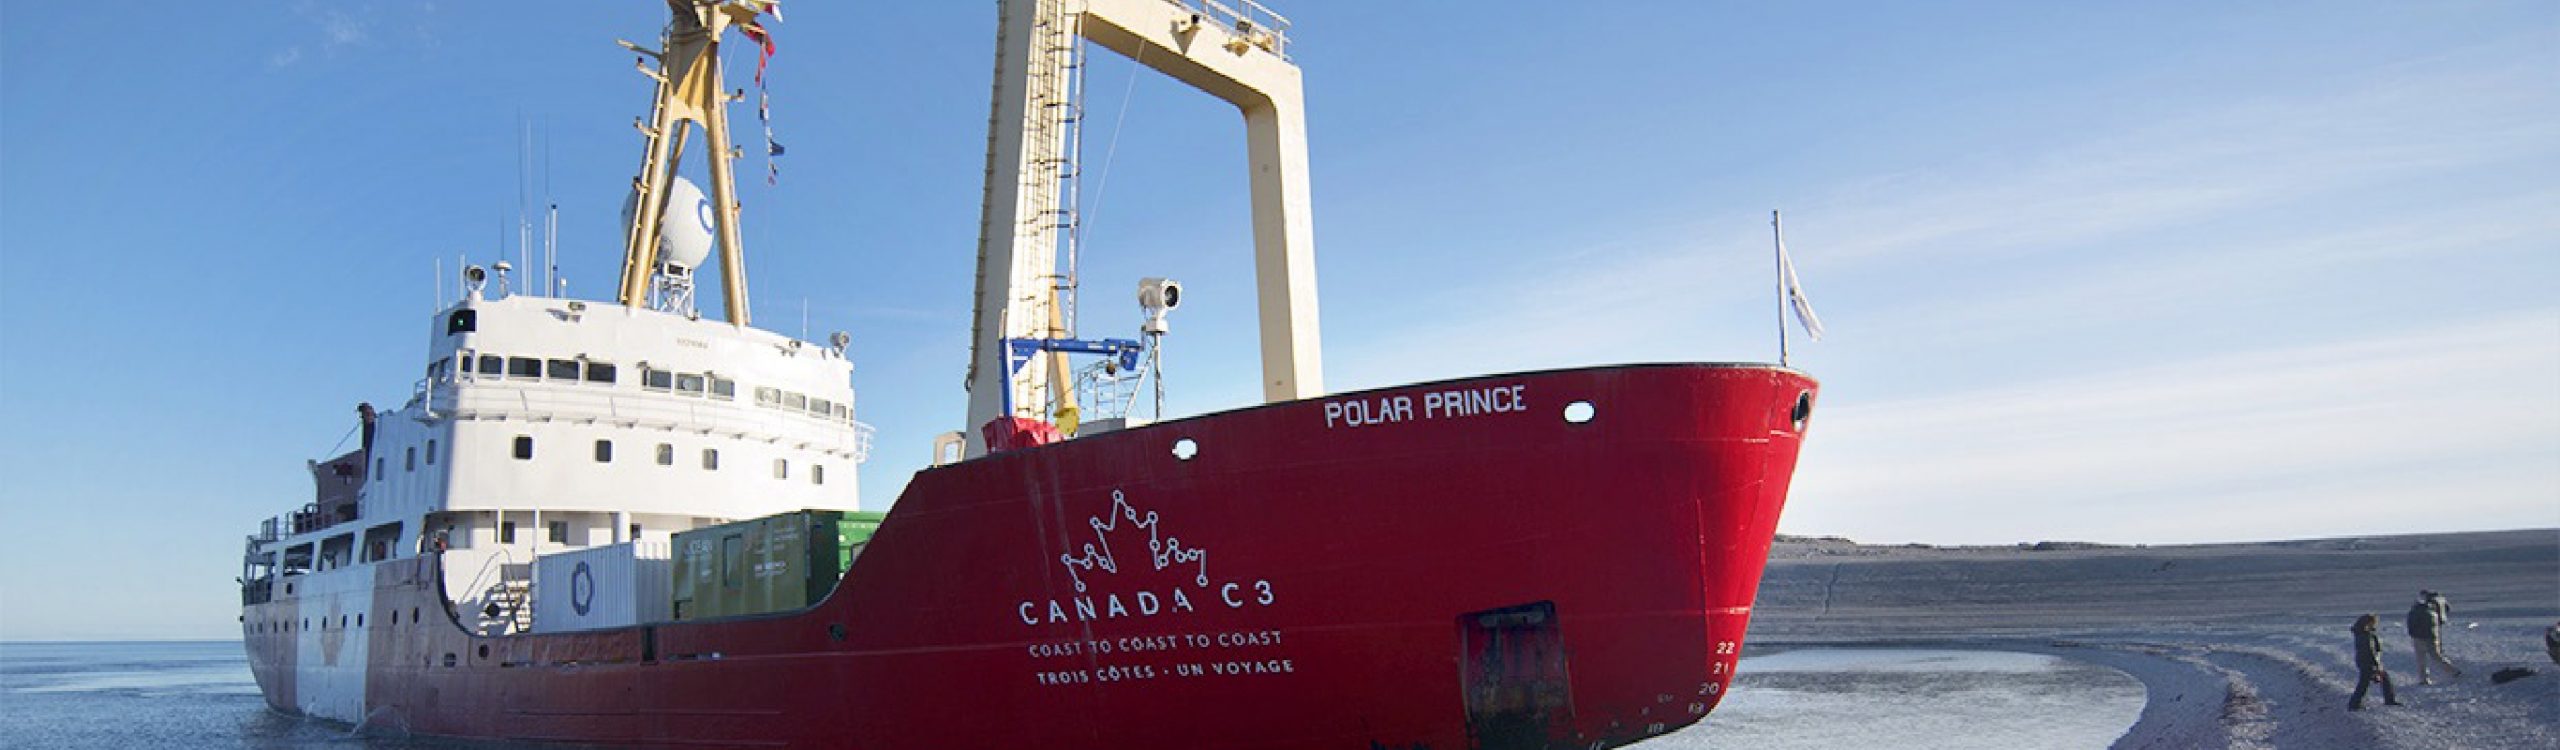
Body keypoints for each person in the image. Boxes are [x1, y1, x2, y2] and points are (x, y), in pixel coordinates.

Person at [2406, 590, 2462, 683]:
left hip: (2419, 638)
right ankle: (2453, 671)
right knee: (2436, 656)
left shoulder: (2416, 612)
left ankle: (2424, 679)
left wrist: (2413, 634)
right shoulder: (2434, 609)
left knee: (2421, 659)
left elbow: (2411, 625)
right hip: (2432, 636)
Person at [2350, 614, 2401, 710]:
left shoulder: (2361, 633)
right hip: (2368, 662)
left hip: (2363, 661)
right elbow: (2370, 651)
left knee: (2365, 683)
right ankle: (2355, 704)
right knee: (2365, 683)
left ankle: (2355, 703)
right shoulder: (2366, 635)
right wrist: (2376, 665)